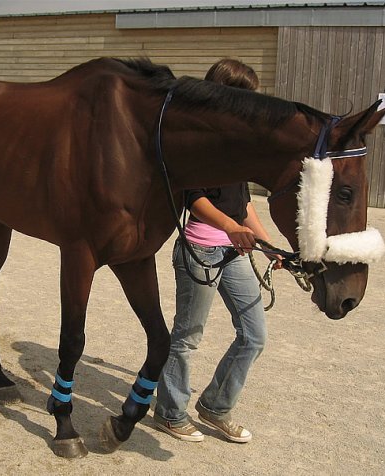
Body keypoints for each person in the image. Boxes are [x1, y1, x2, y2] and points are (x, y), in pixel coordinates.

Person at [153, 59, 281, 444]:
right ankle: (170, 413)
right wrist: (231, 229)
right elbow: (193, 197)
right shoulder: (199, 140)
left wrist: (266, 241)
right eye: (244, 95)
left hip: (234, 251)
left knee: (254, 335)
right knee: (187, 337)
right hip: (201, 252)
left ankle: (215, 406)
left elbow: (242, 204)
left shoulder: (238, 144)